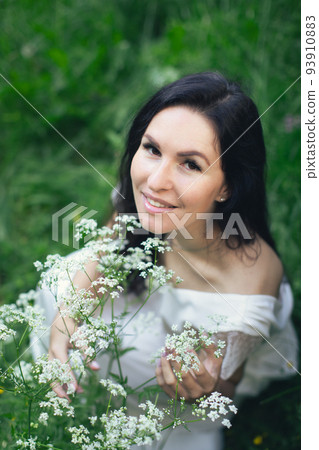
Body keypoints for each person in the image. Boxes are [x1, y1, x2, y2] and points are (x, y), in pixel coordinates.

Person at [33, 72, 298, 449]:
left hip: (163, 406)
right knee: (65, 280)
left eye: (190, 164)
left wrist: (202, 388)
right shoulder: (148, 202)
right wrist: (67, 315)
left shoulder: (249, 282)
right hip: (131, 299)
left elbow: (225, 385)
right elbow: (107, 246)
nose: (155, 181)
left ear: (227, 186)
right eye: (152, 149)